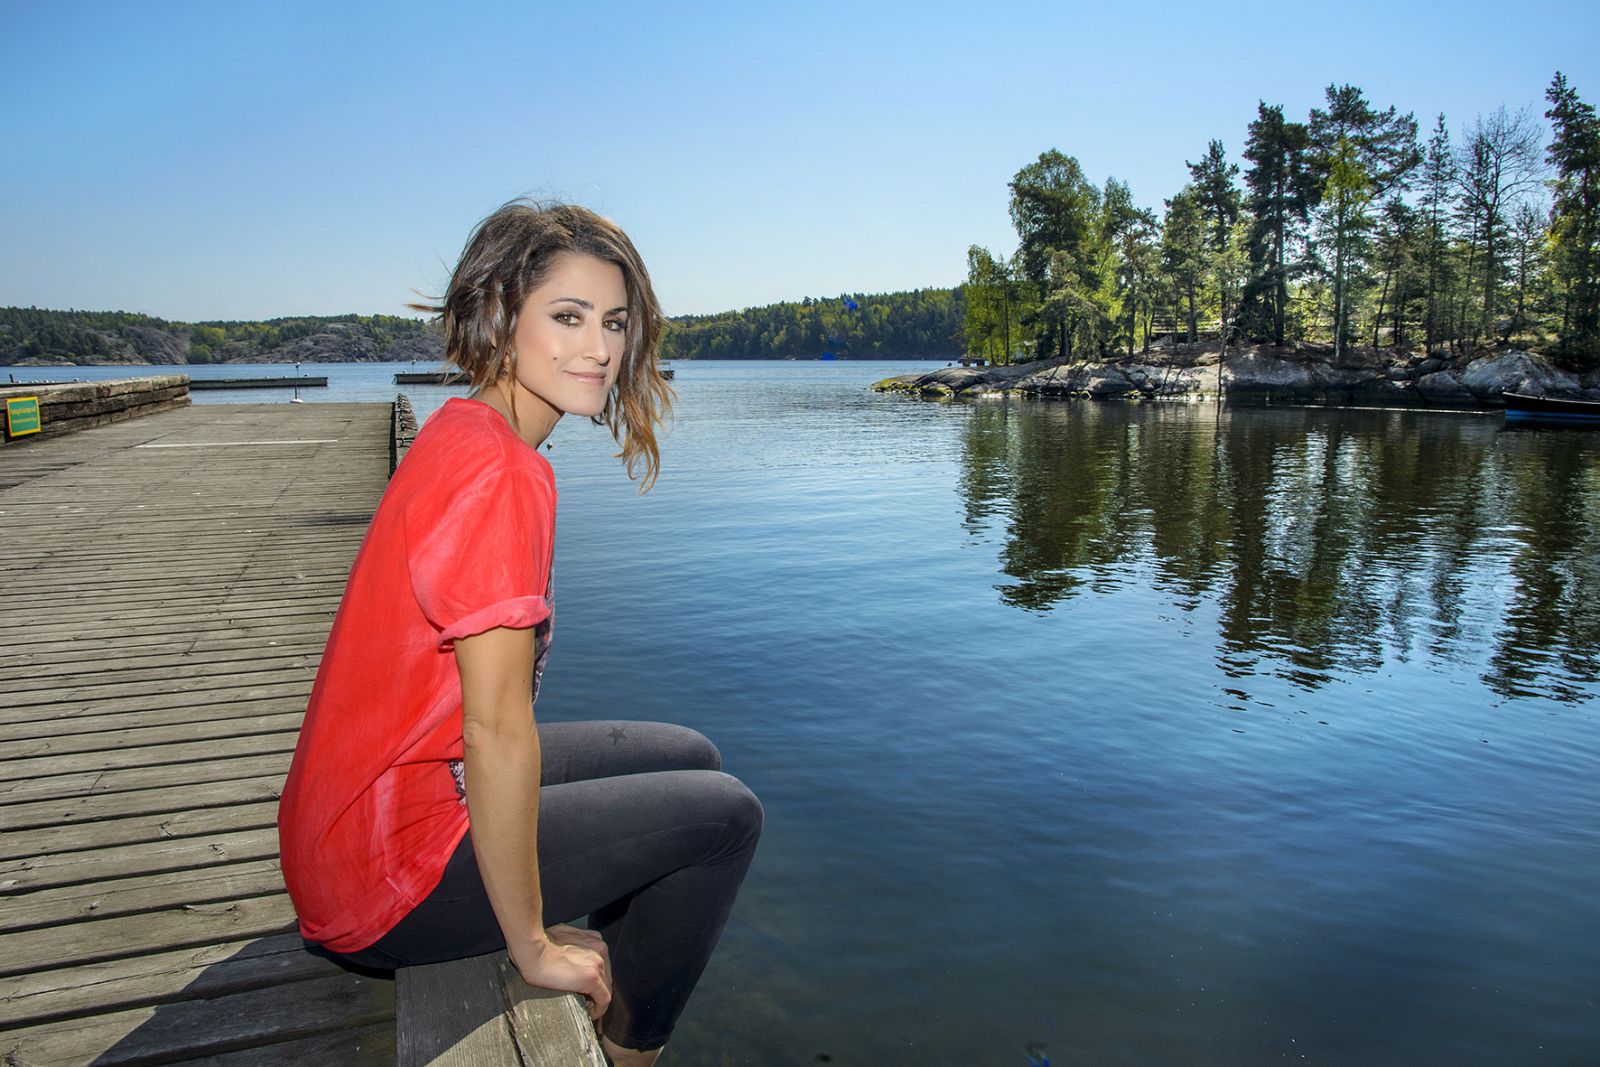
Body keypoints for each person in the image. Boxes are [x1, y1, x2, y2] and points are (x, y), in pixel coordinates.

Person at [277, 201, 762, 1066]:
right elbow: (495, 729)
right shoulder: (503, 477)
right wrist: (533, 941)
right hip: (386, 879)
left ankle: (615, 960)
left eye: (614, 322)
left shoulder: (464, 429)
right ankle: (627, 1049)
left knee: (690, 754)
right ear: (501, 318)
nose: (602, 349)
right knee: (726, 819)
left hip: (349, 831)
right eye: (567, 317)